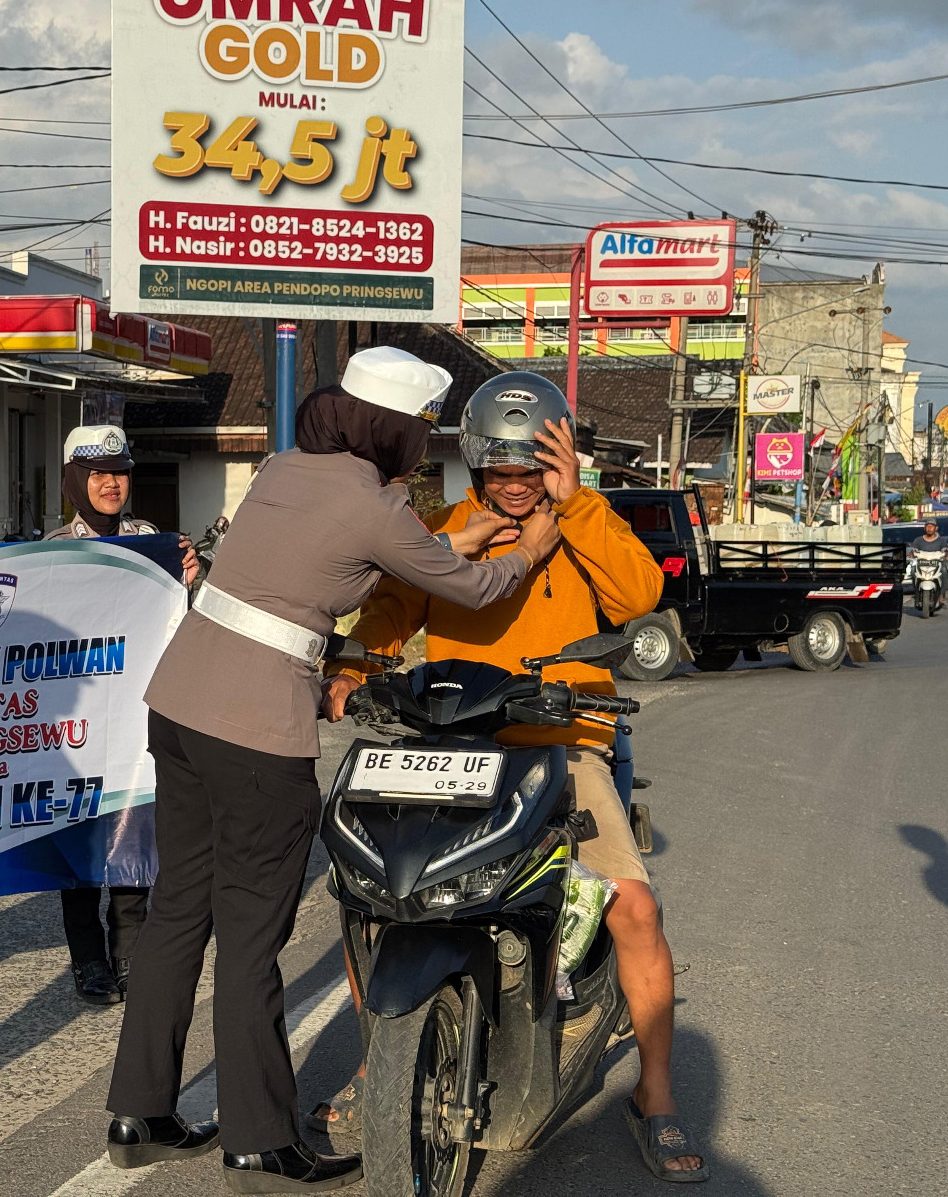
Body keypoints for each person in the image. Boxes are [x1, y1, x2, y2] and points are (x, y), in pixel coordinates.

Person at [104, 347, 561, 1192]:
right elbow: (471, 586)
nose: (425, 446)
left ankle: (139, 1113)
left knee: (178, 915)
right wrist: (531, 544)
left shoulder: (286, 466)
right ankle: (258, 1137)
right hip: (254, 729)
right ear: (392, 429)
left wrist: (448, 540)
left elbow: (345, 559)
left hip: (180, 704)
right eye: (422, 431)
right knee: (249, 936)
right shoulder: (375, 504)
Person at [323, 370, 708, 1183]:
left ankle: (658, 1093)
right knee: (372, 890)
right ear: (475, 465)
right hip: (453, 748)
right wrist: (358, 664)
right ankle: (378, 1063)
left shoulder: (579, 523)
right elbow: (391, 610)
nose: (516, 486)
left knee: (633, 905)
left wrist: (578, 500)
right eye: (502, 471)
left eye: (532, 469)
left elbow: (638, 593)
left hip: (564, 744)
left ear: (555, 462)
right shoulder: (445, 531)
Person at [43, 425, 199, 1004]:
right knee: (82, 844)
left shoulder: (153, 540)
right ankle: (88, 962)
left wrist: (189, 579)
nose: (111, 483)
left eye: (120, 471)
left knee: (136, 835)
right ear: (73, 481)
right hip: (79, 724)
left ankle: (130, 953)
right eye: (97, 473)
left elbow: (177, 622)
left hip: (137, 716)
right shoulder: (53, 549)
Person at [911, 519, 948, 608]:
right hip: (922, 564)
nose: (929, 528)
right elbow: (913, 551)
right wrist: (911, 555)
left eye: (931, 526)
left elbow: (945, 550)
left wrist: (947, 555)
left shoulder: (941, 540)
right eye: (928, 526)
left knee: (944, 571)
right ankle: (917, 593)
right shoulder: (918, 540)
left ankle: (941, 595)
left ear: (936, 528)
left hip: (937, 564)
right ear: (925, 528)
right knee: (913, 570)